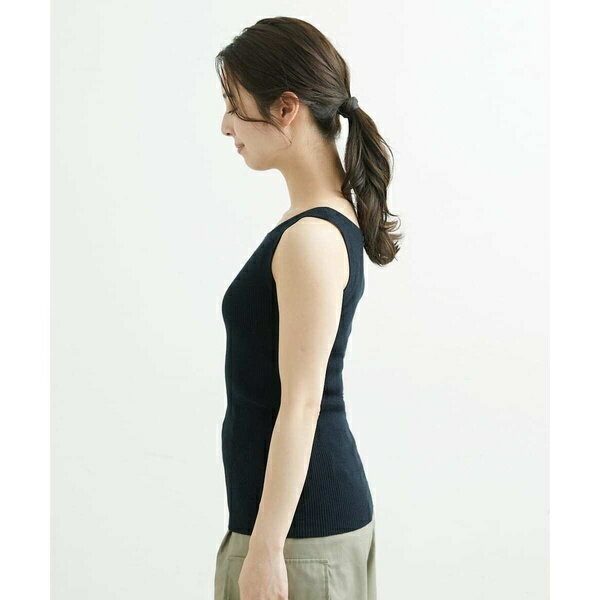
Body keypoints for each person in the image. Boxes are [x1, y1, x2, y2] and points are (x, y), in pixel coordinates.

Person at [213, 16, 402, 600]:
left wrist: (266, 550)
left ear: (286, 108)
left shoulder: (312, 238)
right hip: (290, 533)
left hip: (301, 541)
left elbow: (302, 403)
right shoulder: (313, 224)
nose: (225, 125)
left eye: (234, 103)